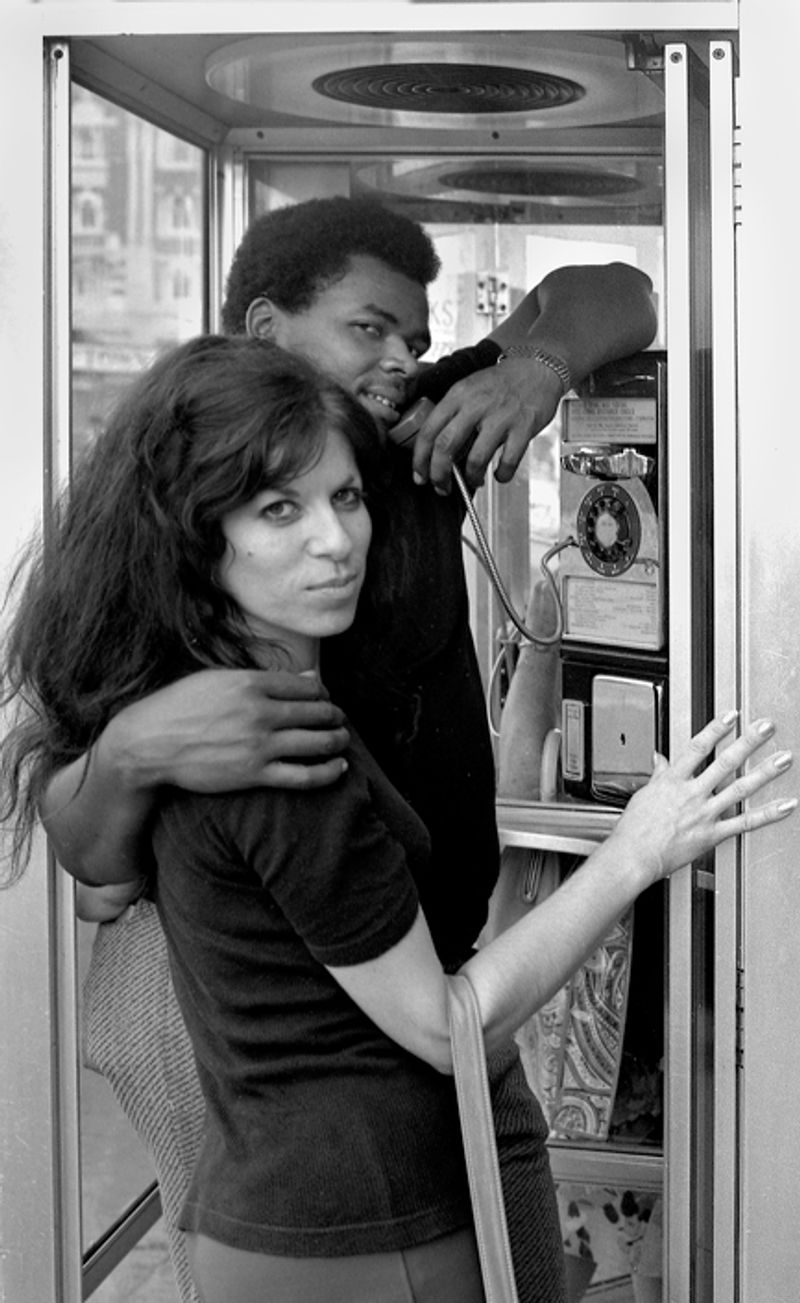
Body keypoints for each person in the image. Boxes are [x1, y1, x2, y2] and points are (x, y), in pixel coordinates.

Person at [1, 335, 794, 1303]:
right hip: (363, 1230)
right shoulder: (274, 753)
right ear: (190, 530)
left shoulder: (205, 706)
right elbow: (441, 1024)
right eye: (276, 509)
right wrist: (638, 849)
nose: (335, 540)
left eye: (344, 498)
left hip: (291, 1212)